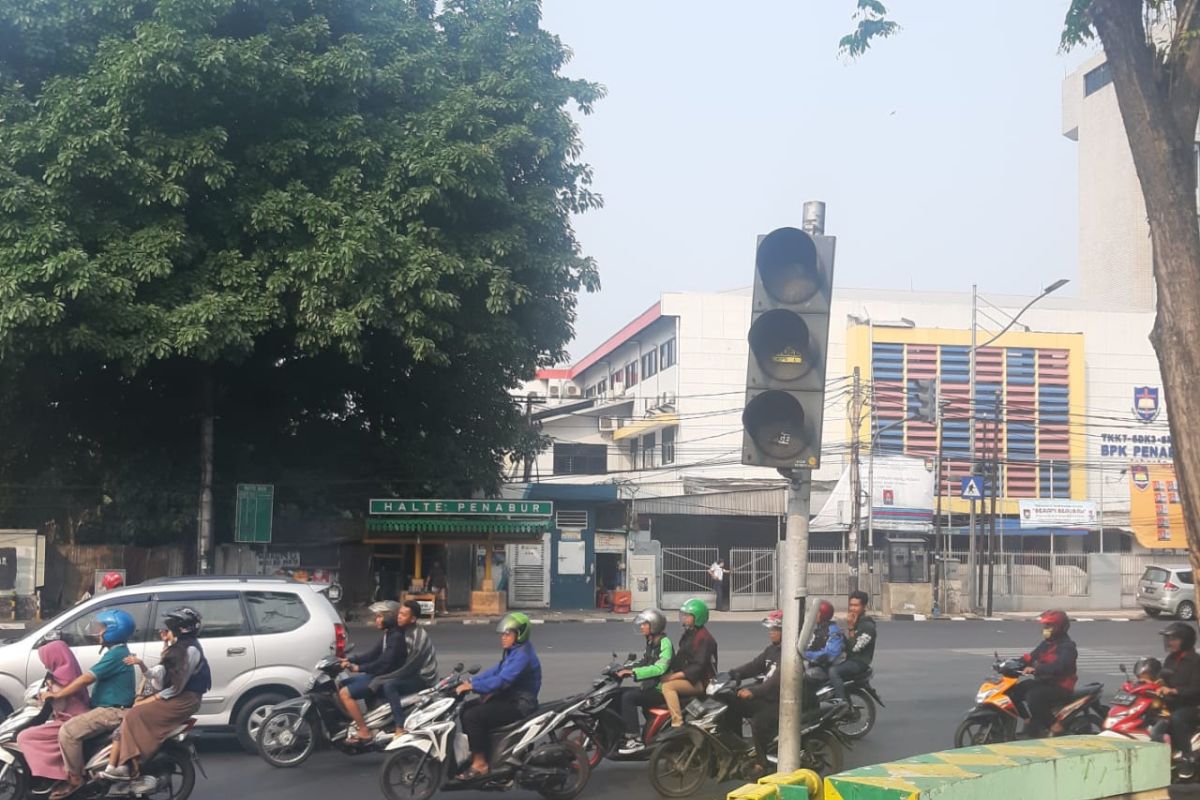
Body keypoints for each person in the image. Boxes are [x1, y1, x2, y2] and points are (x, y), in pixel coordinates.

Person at [103, 607, 211, 781]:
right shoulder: (177, 647)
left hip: (184, 699)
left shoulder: (190, 650)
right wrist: (144, 663)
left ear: (179, 628)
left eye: (168, 628)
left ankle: (126, 765)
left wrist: (150, 700)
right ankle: (120, 764)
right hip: (176, 696)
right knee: (133, 713)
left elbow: (176, 687)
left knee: (135, 714)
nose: (164, 630)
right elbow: (161, 674)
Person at [49, 609, 138, 799]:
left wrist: (59, 694)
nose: (98, 632)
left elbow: (86, 679)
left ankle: (75, 780)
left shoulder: (116, 655)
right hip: (107, 707)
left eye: (102, 628)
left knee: (69, 731)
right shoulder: (117, 652)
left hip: (113, 711)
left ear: (114, 631)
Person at [454, 612, 541, 781]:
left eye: (507, 634)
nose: (503, 637)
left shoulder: (522, 656)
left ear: (520, 634)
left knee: (473, 716)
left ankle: (480, 764)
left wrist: (473, 686)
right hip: (509, 697)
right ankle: (479, 751)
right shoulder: (514, 651)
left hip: (520, 704)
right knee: (466, 708)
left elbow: (501, 681)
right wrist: (471, 680)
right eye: (503, 633)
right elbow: (495, 671)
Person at [17, 641, 90, 786]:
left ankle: (54, 774)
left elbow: (56, 702)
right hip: (72, 716)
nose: (45, 664)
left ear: (53, 657)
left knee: (25, 736)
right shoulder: (68, 670)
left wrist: (47, 696)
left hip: (71, 719)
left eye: (45, 659)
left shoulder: (61, 677)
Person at [724, 610, 783, 773]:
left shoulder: (788, 653)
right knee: (730, 701)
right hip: (766, 697)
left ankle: (761, 763)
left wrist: (753, 692)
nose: (771, 633)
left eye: (775, 630)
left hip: (777, 701)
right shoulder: (771, 650)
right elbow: (754, 666)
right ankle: (737, 746)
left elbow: (774, 681)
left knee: (758, 722)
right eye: (770, 629)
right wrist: (732, 673)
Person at [339, 600, 405, 744]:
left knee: (345, 693)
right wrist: (350, 659)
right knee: (342, 683)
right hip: (378, 675)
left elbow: (383, 663)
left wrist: (358, 668)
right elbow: (372, 654)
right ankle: (353, 721)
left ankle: (364, 731)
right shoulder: (389, 634)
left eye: (380, 617)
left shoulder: (396, 637)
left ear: (389, 618)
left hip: (385, 677)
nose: (377, 620)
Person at [614, 608, 674, 755]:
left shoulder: (665, 643)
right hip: (650, 686)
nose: (641, 626)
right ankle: (621, 731)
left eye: (645, 624)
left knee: (629, 698)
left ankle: (634, 739)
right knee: (617, 693)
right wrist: (623, 668)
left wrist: (633, 672)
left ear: (654, 625)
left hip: (660, 689)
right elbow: (644, 661)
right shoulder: (651, 641)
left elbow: (660, 668)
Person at [1013, 609, 1078, 739]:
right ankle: (1028, 721)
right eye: (1045, 626)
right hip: (1045, 682)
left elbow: (1059, 667)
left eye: (1049, 626)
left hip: (1061, 686)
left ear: (1059, 627)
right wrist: (1011, 664)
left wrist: (1037, 669)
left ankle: (1055, 726)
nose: (1045, 629)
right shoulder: (1047, 644)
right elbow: (1030, 657)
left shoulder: (1067, 647)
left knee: (1034, 696)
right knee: (1014, 691)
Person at [378, 601, 439, 737]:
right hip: (411, 671)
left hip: (423, 677)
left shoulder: (417, 637)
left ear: (413, 619)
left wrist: (383, 677)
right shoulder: (403, 631)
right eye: (399, 613)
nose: (399, 617)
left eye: (404, 615)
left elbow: (409, 668)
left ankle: (400, 725)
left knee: (389, 686)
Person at [660, 598, 718, 728]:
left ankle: (677, 722)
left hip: (701, 682)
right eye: (684, 615)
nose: (684, 618)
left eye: (687, 615)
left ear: (697, 617)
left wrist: (673, 676)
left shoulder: (704, 638)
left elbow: (698, 667)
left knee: (668, 686)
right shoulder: (690, 633)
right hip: (690, 678)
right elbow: (680, 657)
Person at [1158, 622, 1200, 776]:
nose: (1170, 642)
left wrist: (1174, 691)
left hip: (1190, 706)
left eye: (1174, 639)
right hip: (1169, 703)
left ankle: (1187, 758)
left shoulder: (1195, 662)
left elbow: (1196, 688)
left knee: (1176, 719)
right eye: (1169, 639)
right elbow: (1161, 678)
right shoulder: (1170, 659)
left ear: (1186, 640)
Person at [828, 590, 877, 704]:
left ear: (864, 606)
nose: (852, 609)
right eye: (851, 605)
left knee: (833, 671)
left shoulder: (867, 626)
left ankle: (841, 702)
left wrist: (850, 628)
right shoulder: (856, 621)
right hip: (850, 658)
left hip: (859, 662)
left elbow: (855, 648)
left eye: (856, 605)